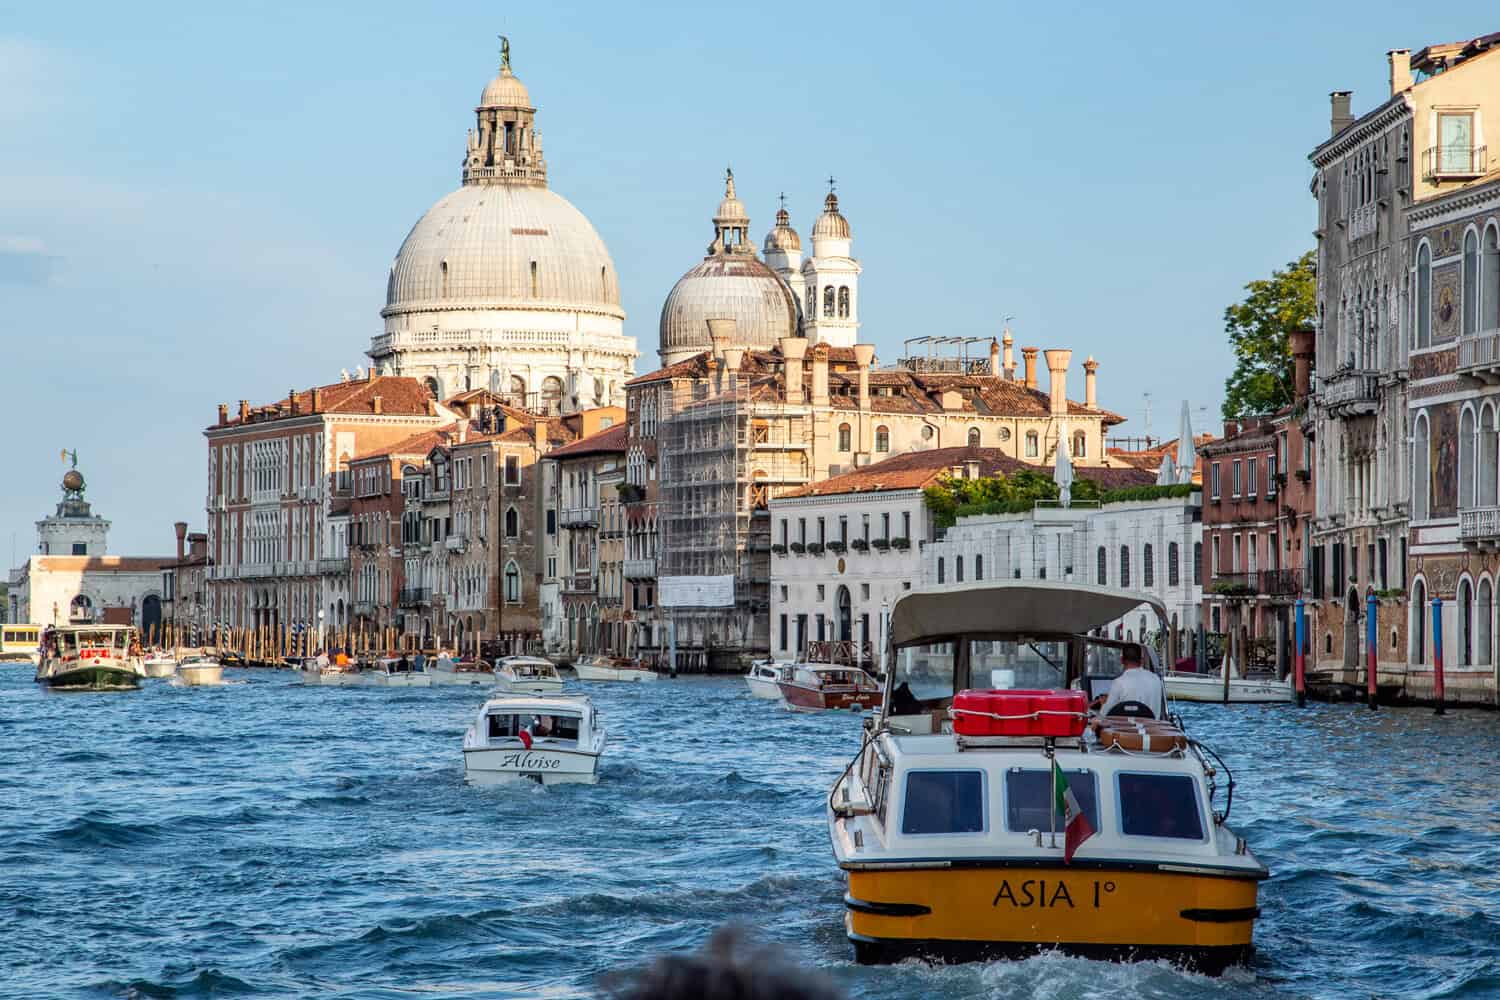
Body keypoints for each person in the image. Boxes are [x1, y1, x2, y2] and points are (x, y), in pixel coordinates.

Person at [1095, 642, 1165, 718]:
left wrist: (1103, 704)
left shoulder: (1119, 683)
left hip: (1127, 729)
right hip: (1154, 728)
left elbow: (1103, 715)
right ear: (1141, 660)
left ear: (1121, 660)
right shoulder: (1156, 679)